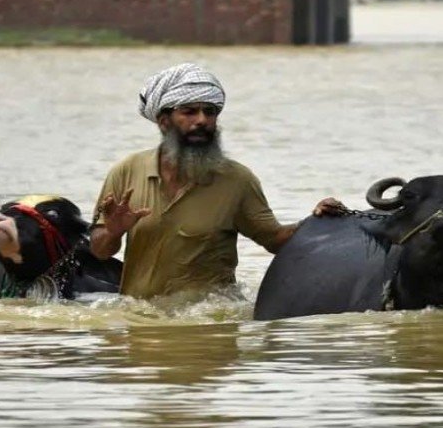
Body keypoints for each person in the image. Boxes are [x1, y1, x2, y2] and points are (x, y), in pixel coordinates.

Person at [90, 63, 345, 299]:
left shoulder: (237, 180)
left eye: (210, 112)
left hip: (209, 321)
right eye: (189, 112)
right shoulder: (126, 172)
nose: (202, 120)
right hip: (140, 322)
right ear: (164, 121)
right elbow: (99, 251)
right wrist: (113, 231)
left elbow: (275, 240)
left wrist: (317, 221)